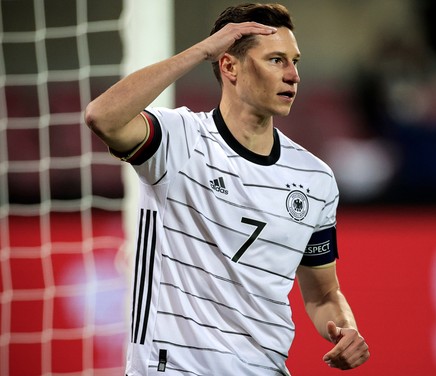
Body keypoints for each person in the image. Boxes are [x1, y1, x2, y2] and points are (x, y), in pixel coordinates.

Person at [85, 3, 369, 375]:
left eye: (294, 61)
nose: (293, 75)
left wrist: (346, 329)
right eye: (276, 60)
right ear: (229, 66)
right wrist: (202, 49)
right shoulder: (178, 139)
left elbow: (323, 295)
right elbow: (101, 116)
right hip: (172, 368)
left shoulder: (315, 179)